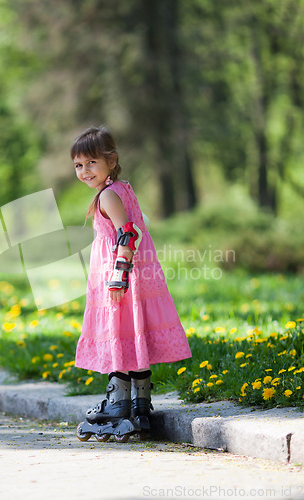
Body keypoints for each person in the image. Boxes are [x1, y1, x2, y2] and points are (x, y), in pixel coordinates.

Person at [72, 126, 192, 442]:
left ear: (111, 161)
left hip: (120, 277)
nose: (85, 171)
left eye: (92, 163)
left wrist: (118, 276)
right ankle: (140, 405)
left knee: (119, 334)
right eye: (79, 165)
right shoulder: (123, 188)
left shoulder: (108, 195)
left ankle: (117, 403)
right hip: (135, 276)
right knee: (132, 336)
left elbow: (127, 233)